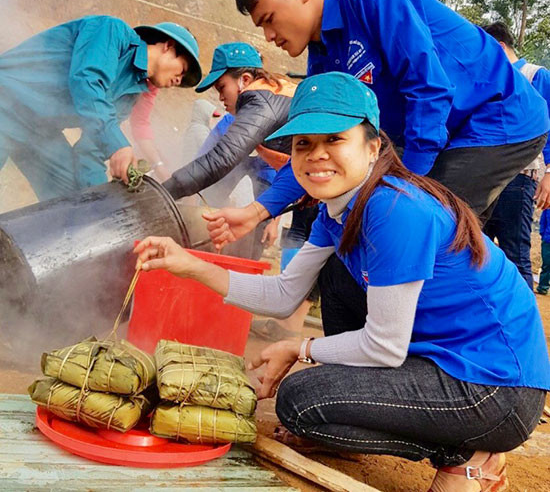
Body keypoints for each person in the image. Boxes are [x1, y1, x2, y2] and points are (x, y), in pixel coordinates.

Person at [136, 73, 549, 492]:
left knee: (299, 401)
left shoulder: (393, 210)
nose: (316, 155)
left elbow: (384, 345)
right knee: (333, 276)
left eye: (334, 139)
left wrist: (300, 348)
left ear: (372, 148)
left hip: (495, 389)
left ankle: (466, 456)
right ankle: (394, 424)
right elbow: (283, 295)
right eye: (303, 144)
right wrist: (188, 264)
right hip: (444, 363)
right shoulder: (337, 212)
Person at [204, 0, 548, 307]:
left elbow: (429, 91)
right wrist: (257, 211)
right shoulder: (324, 61)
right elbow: (316, 151)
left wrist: (405, 190)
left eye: (268, 19)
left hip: (495, 118)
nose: (269, 37)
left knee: (410, 229)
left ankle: (460, 343)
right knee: (350, 256)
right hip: (443, 134)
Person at [0, 16, 201, 200]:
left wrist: (101, 203)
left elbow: (91, 151)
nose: (178, 80)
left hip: (40, 131)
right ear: (169, 46)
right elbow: (86, 82)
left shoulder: (130, 96)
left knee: (72, 201)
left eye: (182, 79)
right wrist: (117, 145)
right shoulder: (112, 32)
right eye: (182, 70)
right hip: (7, 100)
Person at [162, 41, 295, 259]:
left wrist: (164, 193)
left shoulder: (260, 101)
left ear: (244, 80)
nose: (220, 98)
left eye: (222, 88)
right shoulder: (263, 102)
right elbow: (207, 159)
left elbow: (220, 160)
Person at [483, 21, 550, 288]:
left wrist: (549, 173)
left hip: (519, 177)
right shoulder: (487, 81)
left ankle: (524, 327)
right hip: (485, 178)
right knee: (481, 251)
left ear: (499, 47)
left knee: (515, 252)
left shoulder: (536, 76)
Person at [537, 209, 550, 295]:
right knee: (546, 264)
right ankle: (543, 287)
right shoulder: (547, 209)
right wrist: (543, 235)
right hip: (547, 240)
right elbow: (542, 222)